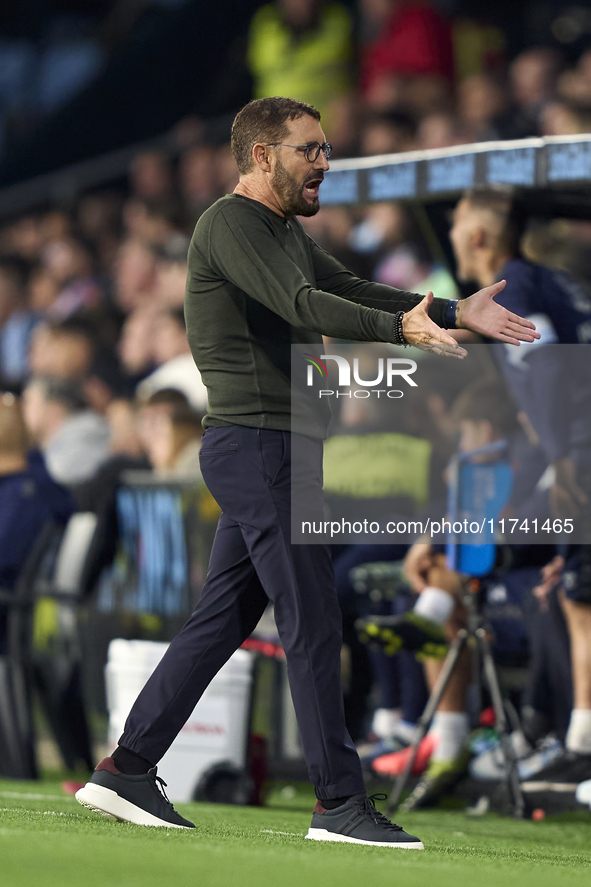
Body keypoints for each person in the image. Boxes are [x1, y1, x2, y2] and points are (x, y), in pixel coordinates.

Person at [75, 97, 538, 844]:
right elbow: (303, 302)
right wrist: (401, 329)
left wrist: (450, 311)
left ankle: (127, 766)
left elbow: (350, 289)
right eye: (309, 150)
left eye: (325, 149)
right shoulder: (229, 224)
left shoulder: (280, 231)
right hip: (264, 446)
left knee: (222, 617)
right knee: (313, 617)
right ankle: (337, 803)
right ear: (262, 156)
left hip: (270, 446)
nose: (324, 163)